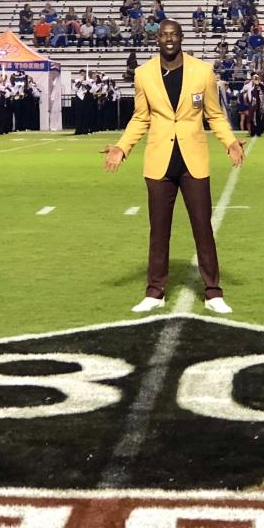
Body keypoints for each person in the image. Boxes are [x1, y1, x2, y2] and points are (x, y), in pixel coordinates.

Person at [102, 19, 244, 315]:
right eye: (163, 35)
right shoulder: (143, 74)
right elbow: (141, 117)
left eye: (173, 34)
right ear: (157, 39)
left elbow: (214, 115)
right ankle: (155, 292)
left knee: (202, 227)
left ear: (181, 37)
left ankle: (213, 291)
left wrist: (229, 141)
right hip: (159, 162)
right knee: (158, 230)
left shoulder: (202, 71)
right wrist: (122, 147)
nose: (168, 39)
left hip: (193, 161)